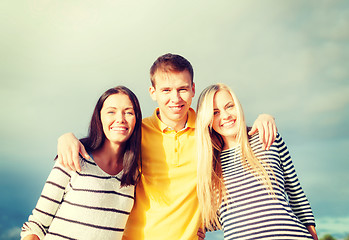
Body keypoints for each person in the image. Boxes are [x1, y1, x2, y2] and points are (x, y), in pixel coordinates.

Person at [56, 53, 278, 240]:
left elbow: (233, 129)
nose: (175, 98)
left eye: (182, 89)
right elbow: (103, 143)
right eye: (166, 90)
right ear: (153, 93)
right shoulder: (137, 133)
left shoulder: (207, 133)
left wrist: (264, 119)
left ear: (192, 89)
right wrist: (67, 137)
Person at [196, 83, 318, 240]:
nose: (225, 116)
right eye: (215, 112)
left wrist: (314, 235)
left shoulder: (266, 138)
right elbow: (219, 218)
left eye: (229, 106)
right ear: (207, 120)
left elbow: (296, 194)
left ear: (238, 106)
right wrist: (198, 229)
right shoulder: (209, 164)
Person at [21, 86, 142, 240]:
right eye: (111, 111)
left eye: (129, 112)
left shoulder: (135, 172)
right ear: (99, 117)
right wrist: (65, 136)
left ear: (137, 119)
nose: (120, 119)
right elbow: (36, 225)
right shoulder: (73, 157)